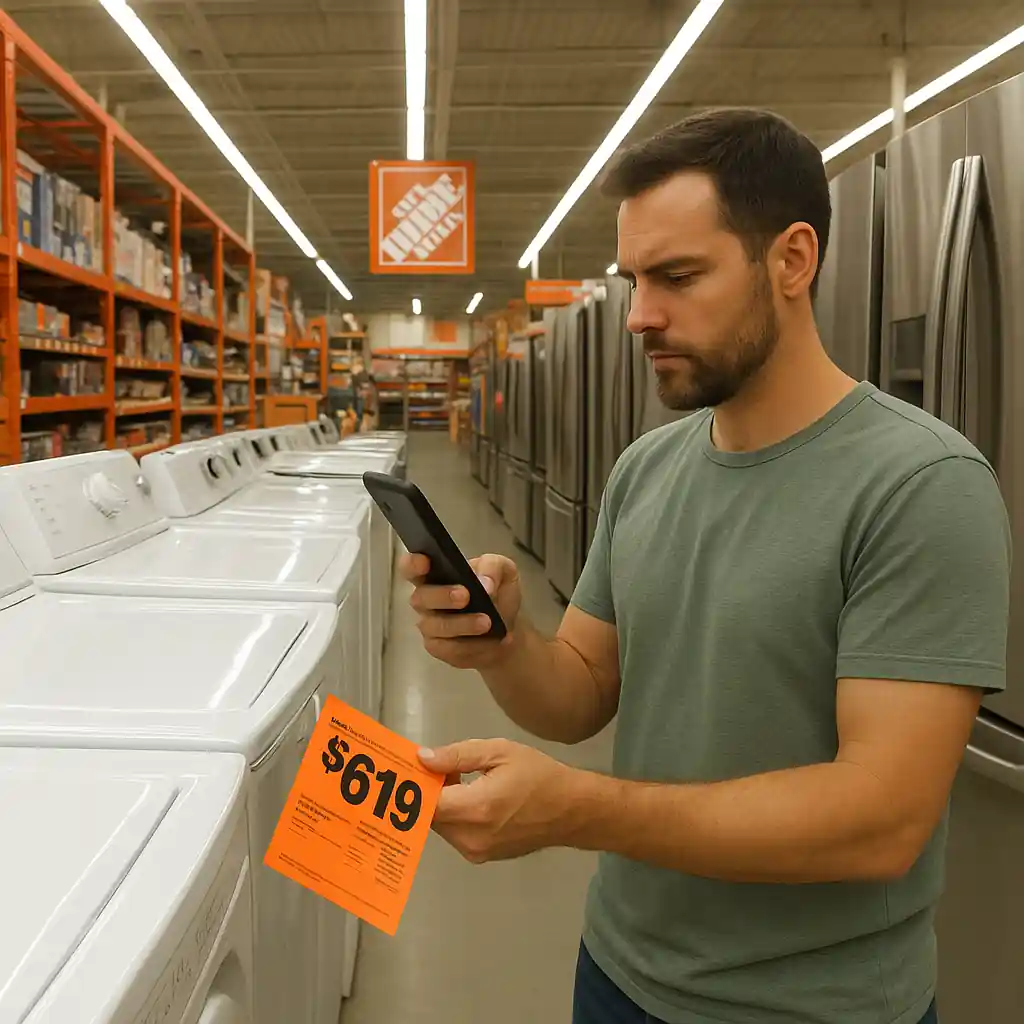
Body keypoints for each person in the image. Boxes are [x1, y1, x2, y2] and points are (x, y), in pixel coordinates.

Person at [401, 108, 1010, 1024]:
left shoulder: (922, 485)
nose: (641, 315)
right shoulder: (648, 466)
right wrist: (500, 642)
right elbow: (577, 694)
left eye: (679, 277)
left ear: (793, 261)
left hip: (813, 1010)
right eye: (635, 279)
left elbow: (881, 818)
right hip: (617, 972)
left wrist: (578, 812)